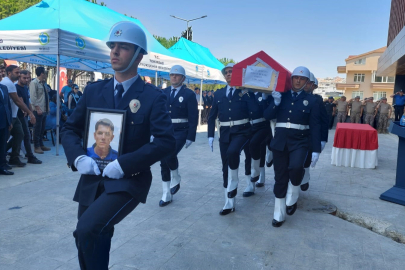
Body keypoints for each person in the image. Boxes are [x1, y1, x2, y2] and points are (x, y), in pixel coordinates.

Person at [61, 21, 175, 270]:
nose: (114, 51)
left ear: (138, 54)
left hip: (128, 180)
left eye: (123, 47)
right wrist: (78, 158)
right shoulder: (93, 91)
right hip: (92, 178)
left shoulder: (152, 96)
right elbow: (70, 129)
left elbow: (166, 141)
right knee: (92, 237)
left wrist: (124, 164)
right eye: (113, 45)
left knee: (87, 229)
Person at [263, 66, 321, 227]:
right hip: (280, 141)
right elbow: (267, 116)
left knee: (296, 168)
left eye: (302, 79)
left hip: (300, 141)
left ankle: (294, 194)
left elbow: (315, 126)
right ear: (291, 79)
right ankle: (278, 213)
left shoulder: (312, 101)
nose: (298, 80)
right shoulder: (281, 96)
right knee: (280, 177)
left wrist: (316, 149)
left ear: (307, 82)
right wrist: (275, 102)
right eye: (295, 77)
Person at [207, 63, 258, 215]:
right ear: (224, 76)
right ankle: (229, 203)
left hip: (242, 131)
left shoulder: (244, 92)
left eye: (232, 72)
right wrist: (210, 135)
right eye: (227, 72)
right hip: (224, 133)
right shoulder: (219, 94)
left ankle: (234, 184)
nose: (229, 74)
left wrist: (249, 93)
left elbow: (255, 111)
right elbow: (212, 117)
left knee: (233, 152)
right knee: (225, 166)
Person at [158, 65, 198, 207]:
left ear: (183, 78)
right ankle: (166, 193)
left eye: (177, 75)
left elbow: (194, 116)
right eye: (171, 75)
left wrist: (191, 136)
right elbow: (159, 114)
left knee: (170, 153)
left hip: (181, 130)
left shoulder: (189, 94)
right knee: (163, 160)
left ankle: (175, 176)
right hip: (165, 130)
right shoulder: (163, 92)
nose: (173, 77)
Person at [1, 65, 36, 167]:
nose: (19, 74)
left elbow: (21, 101)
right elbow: (17, 101)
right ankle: (4, 160)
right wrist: (30, 113)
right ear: (9, 73)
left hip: (13, 116)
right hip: (9, 117)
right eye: (17, 73)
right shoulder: (8, 83)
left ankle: (13, 158)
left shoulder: (11, 83)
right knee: (4, 139)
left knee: (20, 134)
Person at [300, 73, 328, 192]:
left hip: (310, 134)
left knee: (306, 159)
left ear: (314, 86)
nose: (307, 85)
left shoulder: (317, 100)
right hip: (296, 133)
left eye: (310, 83)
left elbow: (323, 120)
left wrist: (323, 139)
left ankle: (305, 177)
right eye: (306, 82)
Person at [242, 89, 271, 197]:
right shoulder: (245, 94)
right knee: (248, 154)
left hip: (263, 126)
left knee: (260, 150)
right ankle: (250, 185)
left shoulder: (264, 93)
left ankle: (261, 176)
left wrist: (265, 98)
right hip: (248, 127)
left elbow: (269, 112)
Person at [13, 70, 42, 164]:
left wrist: (31, 112)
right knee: (25, 135)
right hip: (18, 115)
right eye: (24, 78)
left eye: (28, 78)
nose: (26, 80)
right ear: (19, 77)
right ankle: (29, 156)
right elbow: (20, 102)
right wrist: (29, 112)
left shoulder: (25, 87)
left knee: (21, 135)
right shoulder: (16, 88)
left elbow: (27, 101)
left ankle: (17, 156)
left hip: (24, 115)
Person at [29, 66, 51, 154]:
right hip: (38, 110)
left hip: (44, 109)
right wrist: (37, 108)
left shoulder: (43, 83)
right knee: (37, 129)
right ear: (42, 73)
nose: (46, 75)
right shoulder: (34, 83)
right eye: (45, 73)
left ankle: (41, 144)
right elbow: (33, 97)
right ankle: (36, 146)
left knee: (42, 129)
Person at [0, 83, 13, 175]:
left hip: (4, 121)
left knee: (3, 144)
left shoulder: (4, 87)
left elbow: (8, 105)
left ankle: (2, 165)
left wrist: (9, 121)